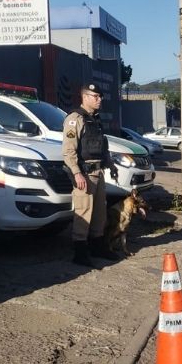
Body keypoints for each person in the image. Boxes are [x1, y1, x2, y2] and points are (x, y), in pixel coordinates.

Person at [62, 83, 120, 267]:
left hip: (98, 172)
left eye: (100, 96)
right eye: (95, 96)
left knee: (99, 214)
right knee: (83, 212)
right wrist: (77, 174)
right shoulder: (74, 119)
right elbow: (68, 151)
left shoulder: (95, 119)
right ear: (85, 97)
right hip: (84, 174)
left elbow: (103, 147)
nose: (99, 99)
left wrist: (110, 165)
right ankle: (80, 252)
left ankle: (97, 247)